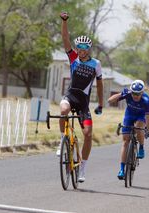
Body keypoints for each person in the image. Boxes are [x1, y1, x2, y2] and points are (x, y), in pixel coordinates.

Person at [58, 12, 103, 183]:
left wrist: (100, 104)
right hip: (70, 96)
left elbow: (99, 84)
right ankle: (63, 139)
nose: (82, 51)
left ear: (89, 50)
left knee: (88, 134)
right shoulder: (73, 58)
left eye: (85, 49)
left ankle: (83, 166)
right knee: (63, 110)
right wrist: (64, 21)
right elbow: (64, 38)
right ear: (76, 49)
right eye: (79, 48)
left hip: (84, 103)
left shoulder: (96, 64)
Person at [108, 80, 149, 180]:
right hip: (129, 115)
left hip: (140, 116)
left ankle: (141, 146)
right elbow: (110, 101)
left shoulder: (146, 100)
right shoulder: (128, 94)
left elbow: (148, 117)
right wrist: (121, 94)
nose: (135, 96)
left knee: (139, 127)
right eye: (133, 93)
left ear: (142, 93)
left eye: (138, 94)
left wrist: (147, 130)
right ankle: (122, 169)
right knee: (125, 141)